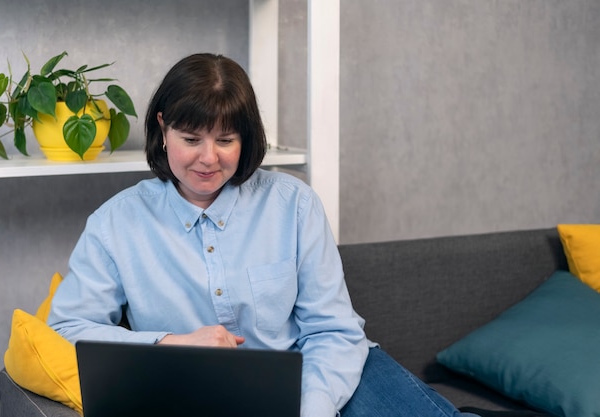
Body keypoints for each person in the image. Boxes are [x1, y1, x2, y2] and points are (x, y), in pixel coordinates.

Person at [47, 53, 545, 417]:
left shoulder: (293, 204)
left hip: (320, 374)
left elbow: (333, 331)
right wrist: (172, 342)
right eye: (191, 139)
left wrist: (313, 408)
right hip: (194, 391)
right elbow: (66, 328)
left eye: (226, 140)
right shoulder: (116, 222)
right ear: (162, 128)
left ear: (247, 138)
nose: (208, 158)